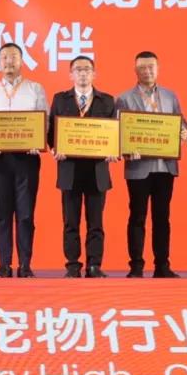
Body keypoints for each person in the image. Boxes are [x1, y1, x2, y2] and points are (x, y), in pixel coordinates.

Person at [116, 51, 187, 278]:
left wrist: (184, 130)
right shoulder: (124, 98)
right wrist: (127, 148)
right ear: (135, 71)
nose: (147, 71)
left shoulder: (169, 96)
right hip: (138, 166)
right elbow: (118, 132)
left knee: (162, 218)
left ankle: (162, 266)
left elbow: (181, 121)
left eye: (151, 67)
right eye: (142, 68)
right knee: (137, 217)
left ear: (158, 69)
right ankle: (136, 266)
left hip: (165, 166)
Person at [48, 56, 119, 278]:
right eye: (78, 69)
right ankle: (72, 265)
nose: (83, 73)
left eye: (87, 69)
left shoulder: (107, 101)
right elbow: (51, 132)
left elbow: (115, 133)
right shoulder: (60, 99)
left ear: (94, 74)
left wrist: (113, 149)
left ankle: (94, 265)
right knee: (70, 221)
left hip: (97, 171)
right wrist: (54, 148)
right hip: (69, 169)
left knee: (96, 222)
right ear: (71, 74)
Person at [0, 43, 48, 278]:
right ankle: (4, 264)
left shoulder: (35, 88)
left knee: (26, 214)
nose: (9, 61)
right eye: (4, 57)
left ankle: (25, 265)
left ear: (21, 60)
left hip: (27, 158)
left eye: (14, 57)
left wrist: (38, 140)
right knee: (2, 214)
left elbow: (45, 120)